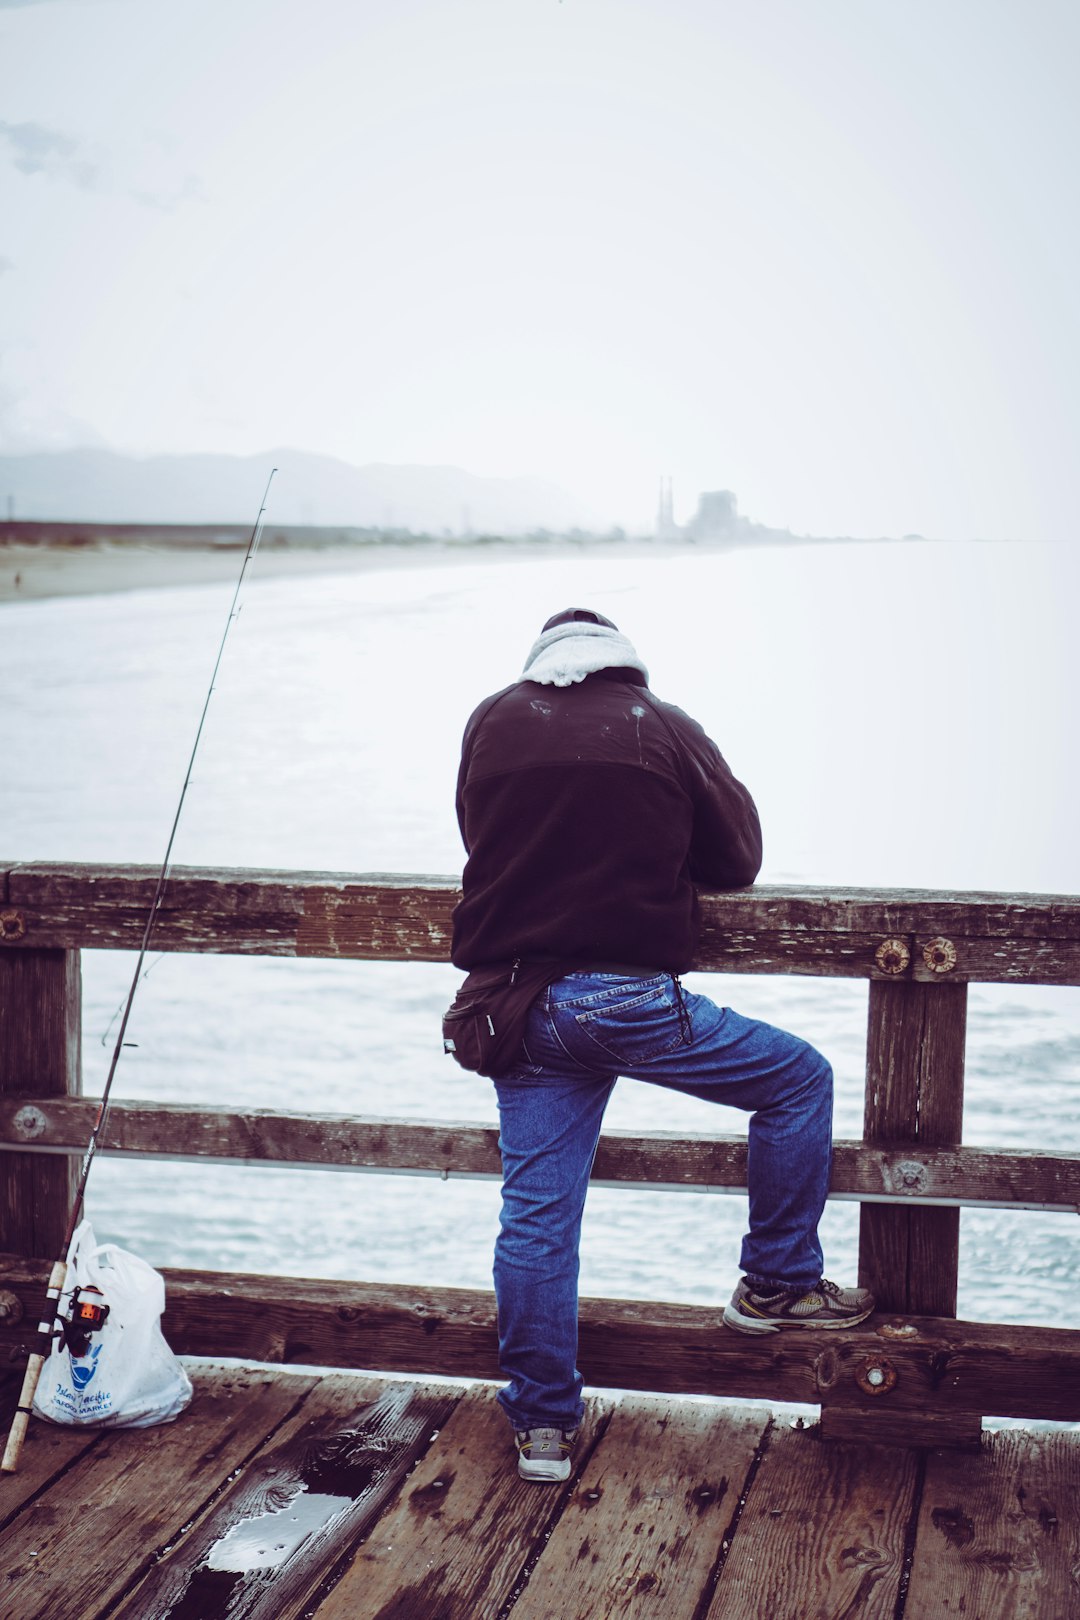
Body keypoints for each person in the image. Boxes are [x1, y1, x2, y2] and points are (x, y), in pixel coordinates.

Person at [451, 607, 873, 1483]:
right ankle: (776, 1284)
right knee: (799, 1082)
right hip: (623, 999)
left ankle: (541, 1428)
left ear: (541, 664)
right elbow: (739, 859)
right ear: (623, 665)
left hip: (515, 1006)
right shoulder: (661, 725)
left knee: (537, 1218)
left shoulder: (491, 719)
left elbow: (484, 840)